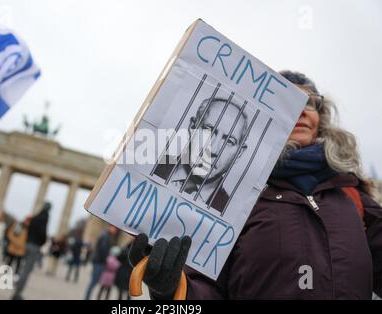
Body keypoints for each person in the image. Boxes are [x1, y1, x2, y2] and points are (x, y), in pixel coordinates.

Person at [128, 71, 382, 300]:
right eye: (290, 104)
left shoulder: (352, 195)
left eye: (310, 103)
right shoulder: (232, 199)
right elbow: (207, 290)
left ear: (321, 117)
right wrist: (173, 290)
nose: (302, 110)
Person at [154, 97, 248, 212]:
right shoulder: (151, 164)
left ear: (239, 153)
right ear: (192, 127)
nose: (213, 150)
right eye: (208, 130)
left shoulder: (230, 211)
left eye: (229, 141)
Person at [11, 203, 50, 300]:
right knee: (27, 271)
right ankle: (17, 293)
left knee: (24, 267)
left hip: (27, 244)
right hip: (35, 246)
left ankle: (18, 278)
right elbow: (43, 233)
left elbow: (28, 229)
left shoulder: (36, 216)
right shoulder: (45, 217)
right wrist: (43, 241)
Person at [84, 225, 118, 300]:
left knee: (94, 281)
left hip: (98, 261)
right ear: (110, 227)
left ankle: (87, 297)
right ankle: (86, 298)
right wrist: (106, 260)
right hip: (99, 262)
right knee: (94, 281)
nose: (116, 230)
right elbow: (103, 250)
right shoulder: (106, 236)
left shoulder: (105, 235)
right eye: (114, 228)